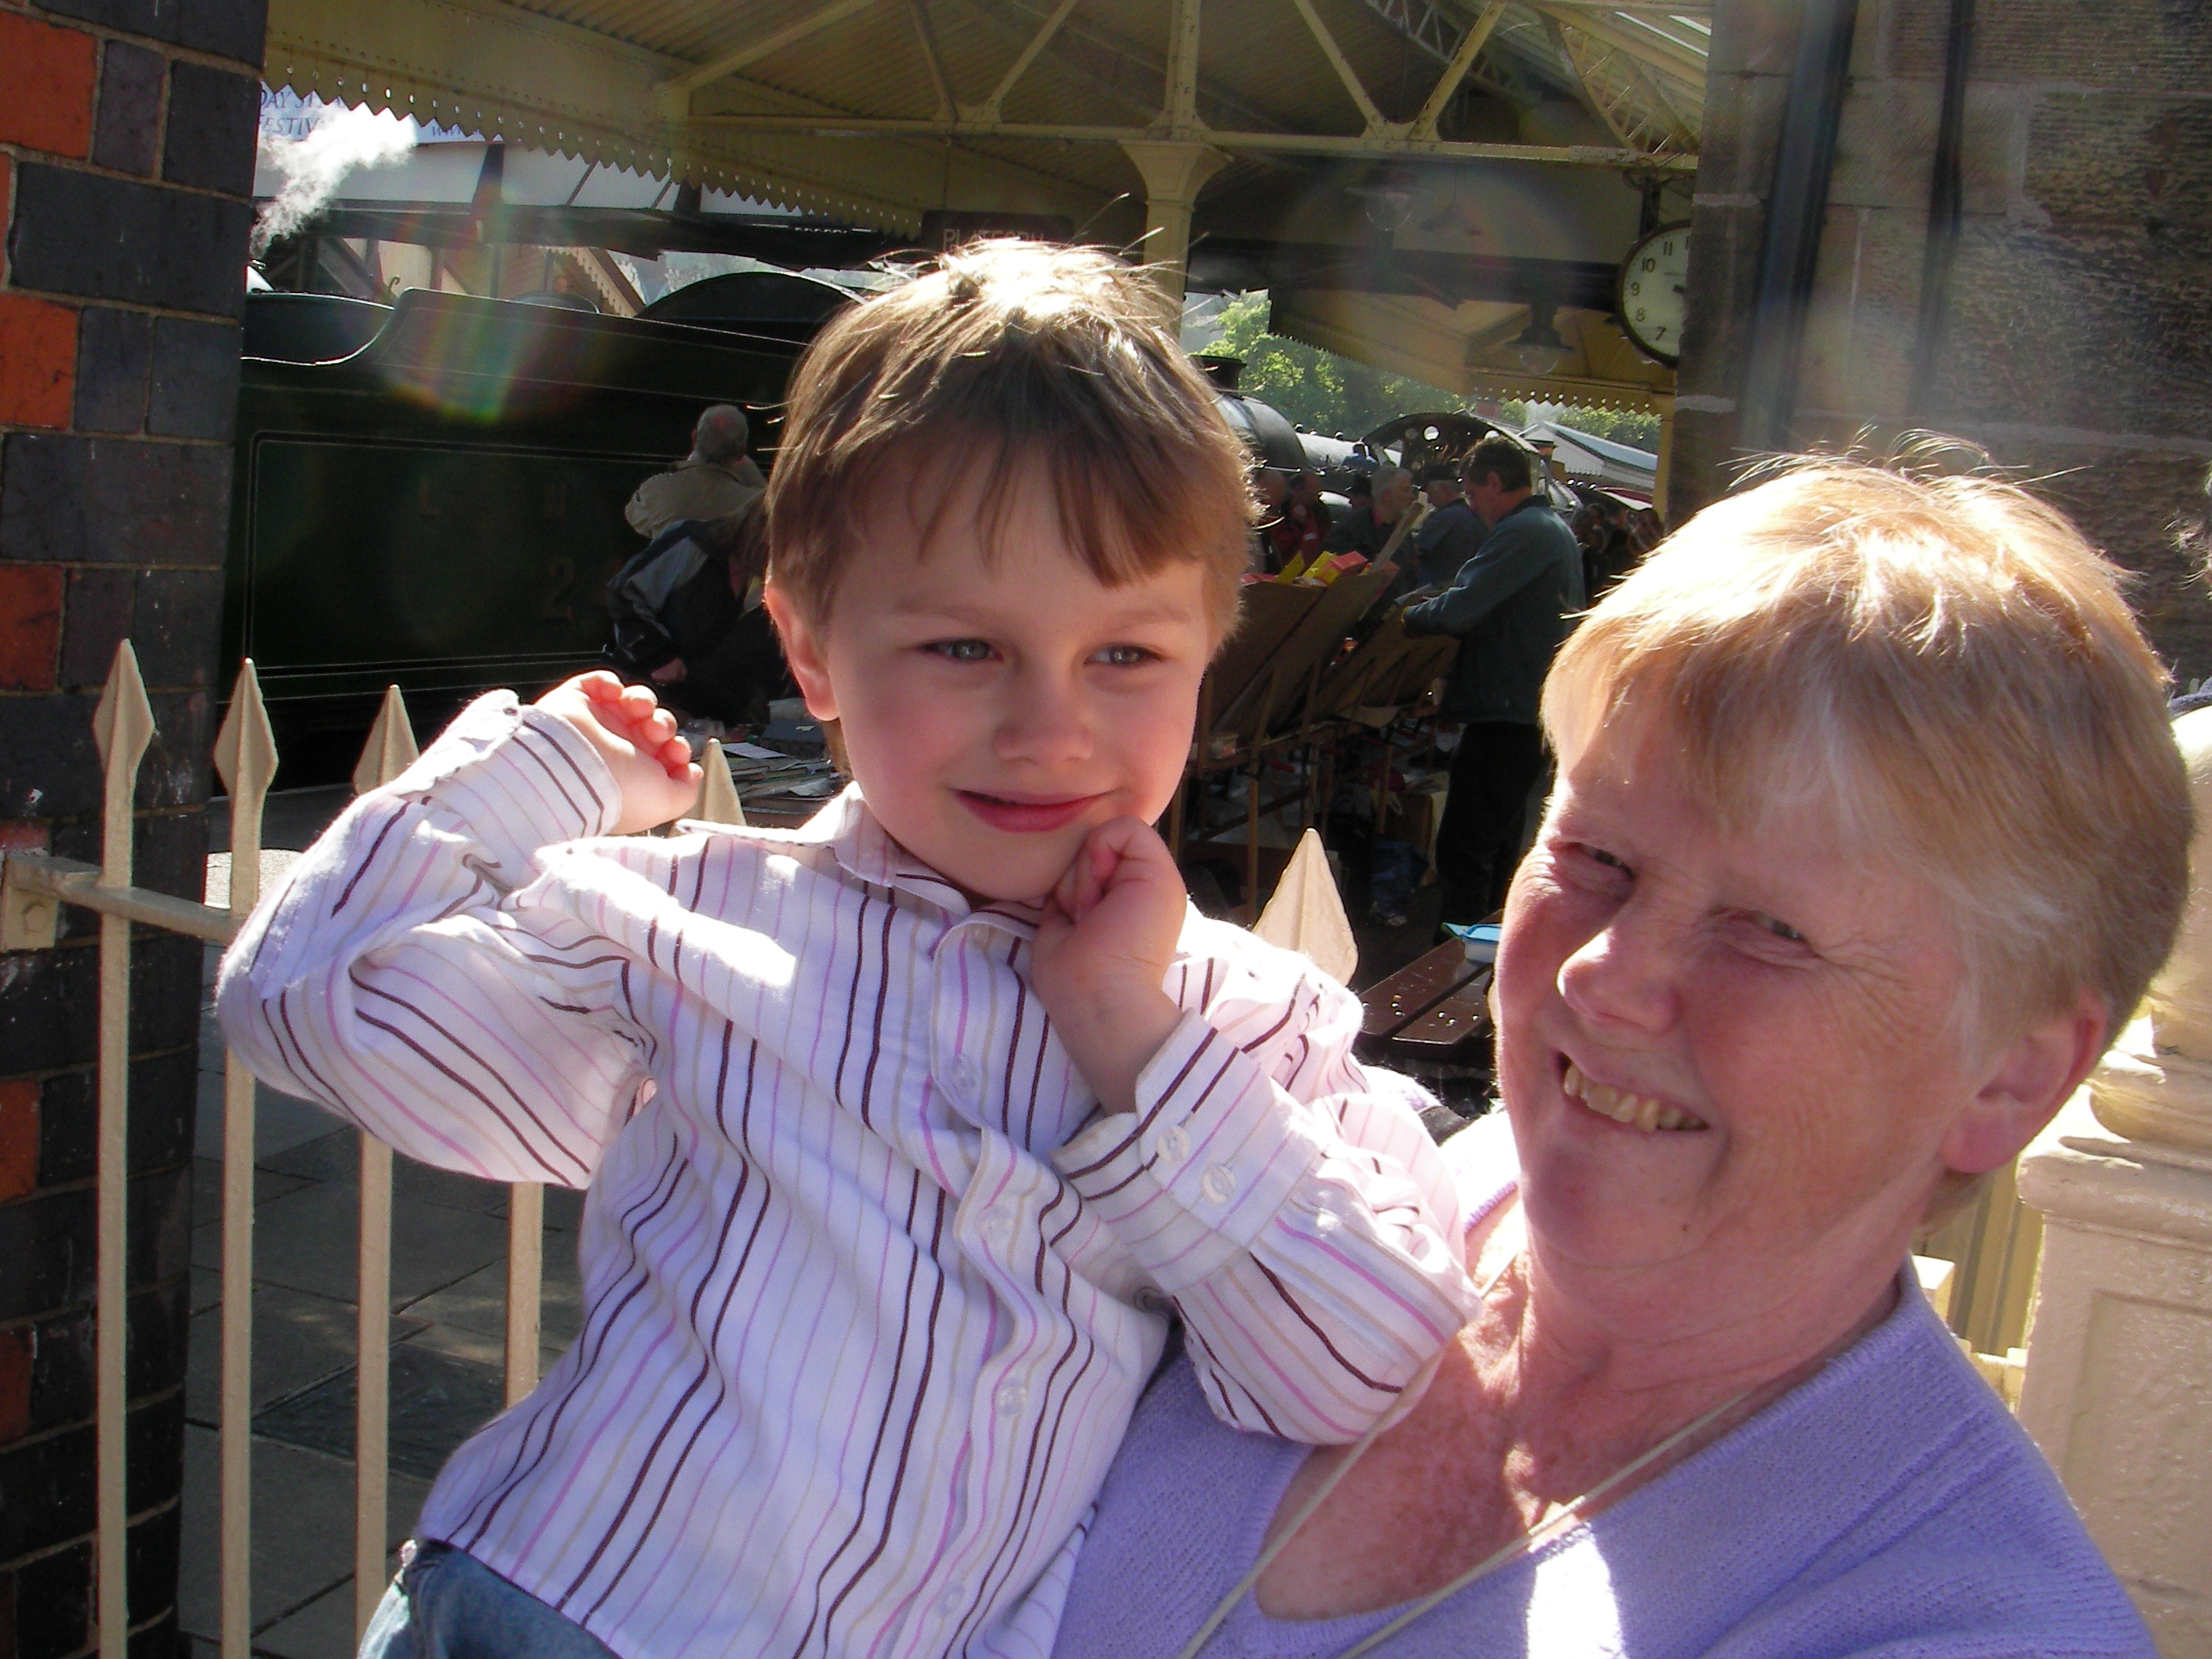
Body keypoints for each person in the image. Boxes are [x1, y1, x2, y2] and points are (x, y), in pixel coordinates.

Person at [218, 242, 1476, 1659]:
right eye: (963, 648)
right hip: (548, 1606)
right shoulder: (688, 922)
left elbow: (1366, 1369)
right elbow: (305, 1003)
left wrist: (1137, 1047)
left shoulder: (1247, 1026)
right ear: (812, 652)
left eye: (1125, 655)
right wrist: (539, 775)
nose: (1049, 727)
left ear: (1207, 653)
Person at [1050, 458, 2185, 1659]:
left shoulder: (1966, 1622)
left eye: (1771, 927)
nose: (1604, 975)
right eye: (1596, 857)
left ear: (2009, 1075)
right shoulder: (1349, 1164)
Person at [1404, 434, 1583, 927]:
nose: (1470, 504)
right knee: (1497, 844)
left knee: (1465, 847)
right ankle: (1484, 947)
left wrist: (1407, 618)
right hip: (1526, 710)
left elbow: (1462, 606)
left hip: (1507, 714)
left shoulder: (1525, 531)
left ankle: (1459, 953)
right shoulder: (1550, 529)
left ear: (1494, 482)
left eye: (1471, 491)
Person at [602, 501, 784, 728]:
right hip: (640, 695)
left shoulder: (761, 584)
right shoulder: (691, 544)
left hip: (705, 715)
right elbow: (623, 593)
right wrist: (657, 656)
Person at [623, 403, 768, 538]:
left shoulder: (656, 489)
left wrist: (688, 467)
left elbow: (633, 515)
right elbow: (772, 519)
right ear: (741, 452)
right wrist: (755, 478)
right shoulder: (752, 504)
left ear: (694, 438)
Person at [1406, 461, 1481, 591]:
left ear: (1444, 489)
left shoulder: (1446, 517)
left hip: (1433, 589)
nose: (1429, 500)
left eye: (1431, 493)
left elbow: (1413, 550)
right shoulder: (1471, 515)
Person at [1322, 463, 1414, 566]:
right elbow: (1330, 565)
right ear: (1387, 495)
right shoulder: (1350, 528)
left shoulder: (1402, 531)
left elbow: (1410, 571)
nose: (1412, 497)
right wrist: (1371, 563)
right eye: (1406, 491)